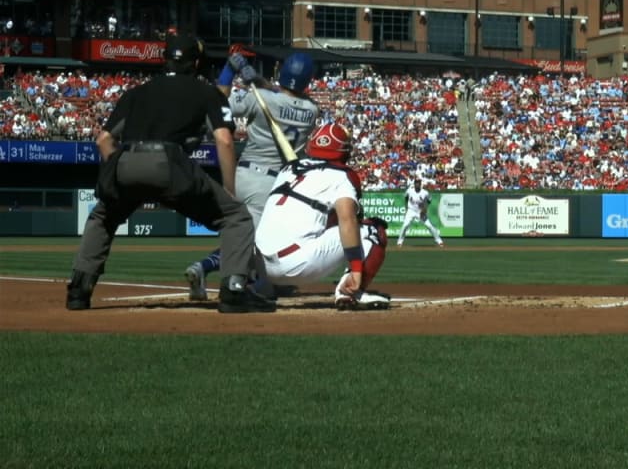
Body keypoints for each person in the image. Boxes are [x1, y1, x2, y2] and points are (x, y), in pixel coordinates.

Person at [66, 35, 274, 313]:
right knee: (235, 216)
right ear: (196, 62)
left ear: (165, 60)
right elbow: (224, 140)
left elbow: (103, 140)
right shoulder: (205, 92)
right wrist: (229, 190)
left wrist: (119, 169)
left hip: (127, 161)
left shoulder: (136, 92)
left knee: (103, 217)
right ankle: (234, 291)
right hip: (170, 164)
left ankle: (78, 291)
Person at [183, 50, 318, 300]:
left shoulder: (261, 98)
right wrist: (256, 80)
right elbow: (285, 95)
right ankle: (204, 267)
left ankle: (262, 281)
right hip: (272, 183)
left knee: (250, 236)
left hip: (245, 173)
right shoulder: (312, 109)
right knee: (250, 240)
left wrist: (230, 70)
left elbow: (218, 101)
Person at [255, 122, 391, 310]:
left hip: (261, 265)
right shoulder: (342, 175)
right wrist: (357, 267)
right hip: (297, 265)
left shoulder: (287, 170)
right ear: (343, 150)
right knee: (373, 229)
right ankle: (351, 291)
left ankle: (259, 286)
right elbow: (348, 220)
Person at [396, 178, 444, 247]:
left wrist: (425, 209)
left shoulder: (425, 192)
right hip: (411, 211)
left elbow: (429, 200)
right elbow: (406, 198)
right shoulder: (409, 191)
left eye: (418, 183)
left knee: (429, 226)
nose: (417, 184)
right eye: (416, 183)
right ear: (414, 184)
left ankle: (439, 241)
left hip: (420, 211)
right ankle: (399, 242)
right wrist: (406, 208)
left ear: (420, 184)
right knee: (405, 225)